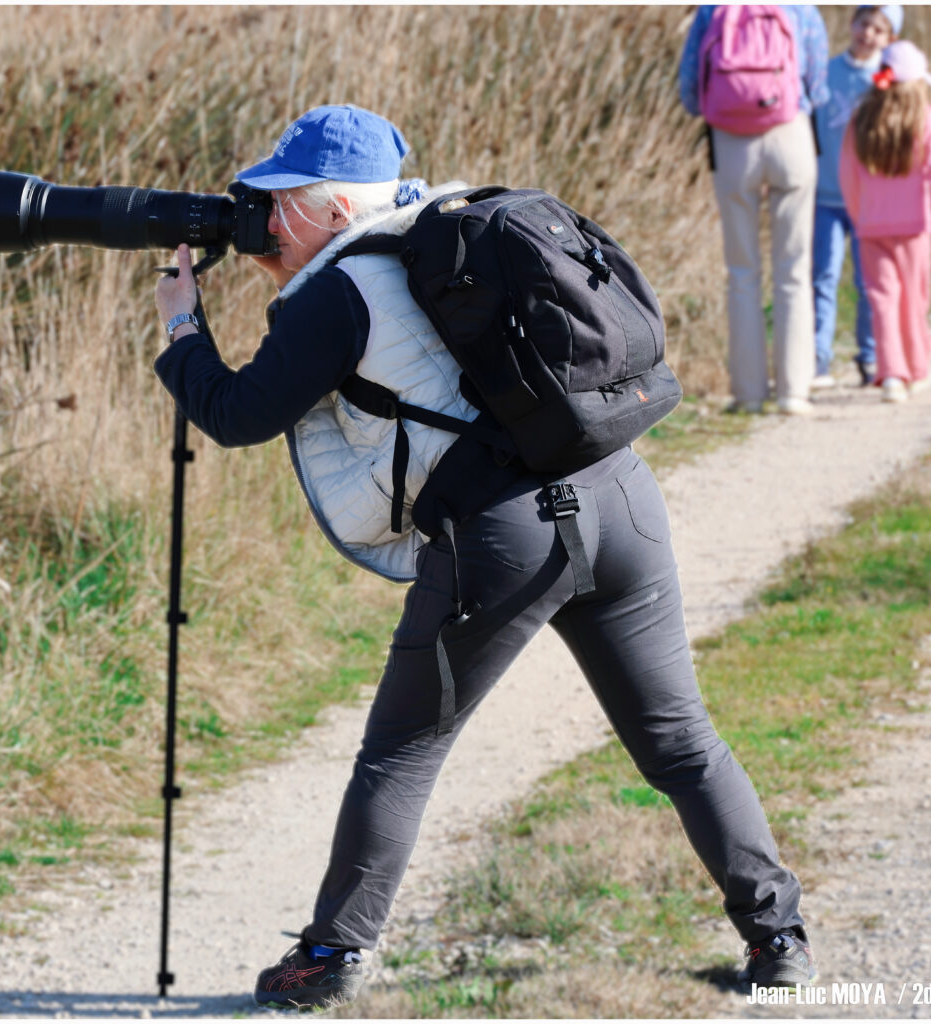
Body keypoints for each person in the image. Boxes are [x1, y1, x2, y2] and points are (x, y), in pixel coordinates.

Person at [151, 104, 814, 1010]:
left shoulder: (340, 292)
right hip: (620, 493)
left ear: (336, 210)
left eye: (283, 203)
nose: (268, 218)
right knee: (681, 741)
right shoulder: (447, 239)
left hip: (502, 535)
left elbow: (234, 414)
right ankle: (778, 938)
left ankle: (330, 958)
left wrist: (183, 330)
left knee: (402, 750)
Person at [677, 5, 831, 415]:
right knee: (794, 269)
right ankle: (794, 392)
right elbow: (817, 82)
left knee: (742, 271)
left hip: (731, 142)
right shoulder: (800, 8)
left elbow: (690, 88)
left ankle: (748, 394)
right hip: (790, 134)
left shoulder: (712, 9)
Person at [840, 41, 931, 403]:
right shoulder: (925, 119)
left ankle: (891, 374)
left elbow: (848, 174)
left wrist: (857, 212)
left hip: (872, 226)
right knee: (914, 298)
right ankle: (917, 369)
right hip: (914, 228)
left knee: (882, 300)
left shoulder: (860, 118)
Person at [814, 5, 902, 389]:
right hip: (825, 197)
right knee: (823, 277)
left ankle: (870, 357)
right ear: (852, 25)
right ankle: (818, 361)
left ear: (890, 40)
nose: (869, 34)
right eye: (865, 24)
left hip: (870, 203)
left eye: (880, 30)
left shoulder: (888, 81)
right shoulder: (826, 72)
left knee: (869, 284)